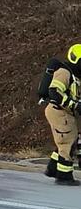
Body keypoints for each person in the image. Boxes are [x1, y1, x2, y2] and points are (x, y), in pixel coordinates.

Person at [44, 44, 81, 185]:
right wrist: (74, 105)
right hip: (59, 112)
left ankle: (52, 169)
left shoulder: (75, 76)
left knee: (63, 140)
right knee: (68, 143)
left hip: (64, 113)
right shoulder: (64, 72)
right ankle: (64, 177)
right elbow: (54, 91)